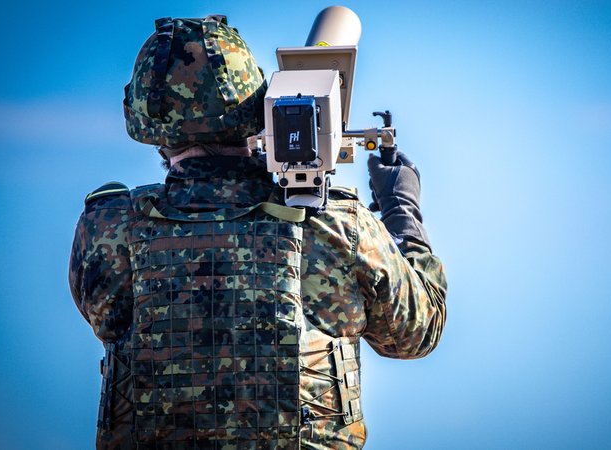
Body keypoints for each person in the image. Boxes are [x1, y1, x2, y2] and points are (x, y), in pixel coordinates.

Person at [69, 15, 446, 450]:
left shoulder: (107, 228)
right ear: (257, 107)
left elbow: (108, 320)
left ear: (148, 126)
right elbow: (417, 332)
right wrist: (402, 210)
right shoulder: (335, 225)